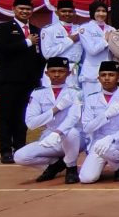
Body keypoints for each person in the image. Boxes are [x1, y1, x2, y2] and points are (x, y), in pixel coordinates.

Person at [14, 56, 81, 184]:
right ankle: (56, 164)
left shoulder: (76, 92)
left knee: (71, 132)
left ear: (69, 73)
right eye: (53, 71)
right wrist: (56, 109)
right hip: (49, 136)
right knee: (20, 157)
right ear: (46, 73)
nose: (57, 75)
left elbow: (73, 118)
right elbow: (31, 123)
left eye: (61, 71)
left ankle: (71, 167)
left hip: (73, 138)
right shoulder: (38, 93)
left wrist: (58, 132)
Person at [0, 0, 44, 164]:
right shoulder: (4, 28)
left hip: (30, 81)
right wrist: (27, 42)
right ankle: (5, 150)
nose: (25, 11)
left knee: (23, 116)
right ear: (14, 9)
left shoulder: (36, 30)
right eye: (21, 8)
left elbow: (39, 56)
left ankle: (20, 147)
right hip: (10, 80)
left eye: (28, 9)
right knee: (6, 115)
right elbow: (2, 49)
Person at [78, 61, 119, 184]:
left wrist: (112, 138)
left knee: (108, 149)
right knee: (86, 178)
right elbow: (87, 128)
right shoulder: (91, 99)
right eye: (103, 75)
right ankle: (116, 163)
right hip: (98, 142)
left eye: (111, 75)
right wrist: (105, 115)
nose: (107, 78)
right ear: (98, 78)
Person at [39, 0, 82, 84]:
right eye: (63, 11)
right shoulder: (49, 30)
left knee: (73, 92)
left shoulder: (80, 29)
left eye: (70, 11)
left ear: (74, 12)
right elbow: (47, 54)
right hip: (55, 69)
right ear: (57, 12)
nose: (67, 14)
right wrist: (70, 40)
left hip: (74, 69)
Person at [76, 1, 114, 94]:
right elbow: (92, 50)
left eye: (104, 11)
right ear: (92, 12)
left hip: (108, 72)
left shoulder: (112, 29)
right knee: (91, 100)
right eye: (98, 11)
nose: (101, 13)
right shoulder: (85, 28)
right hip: (91, 74)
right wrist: (105, 40)